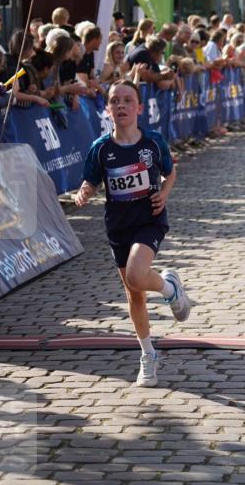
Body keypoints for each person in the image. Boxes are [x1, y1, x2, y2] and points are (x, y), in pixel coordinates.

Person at [75, 80, 191, 386]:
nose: (121, 105)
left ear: (139, 108)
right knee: (134, 294)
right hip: (118, 225)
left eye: (128, 100)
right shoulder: (101, 148)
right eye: (115, 101)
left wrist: (164, 194)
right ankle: (148, 354)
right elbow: (91, 181)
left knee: (137, 276)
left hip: (149, 220)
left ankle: (169, 289)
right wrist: (84, 191)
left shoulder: (153, 142)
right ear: (107, 109)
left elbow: (170, 173)